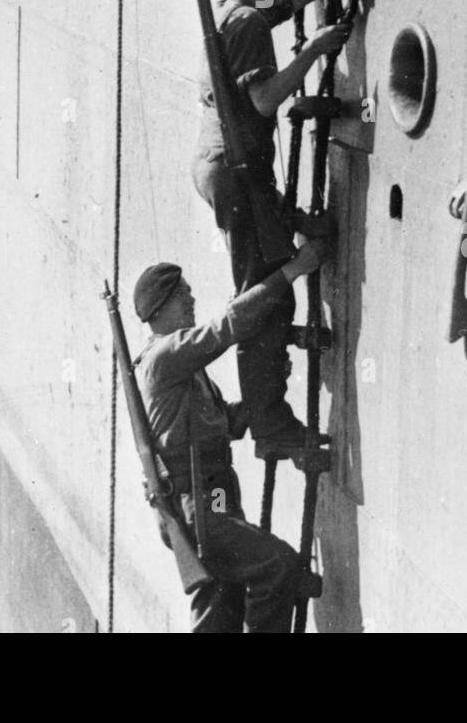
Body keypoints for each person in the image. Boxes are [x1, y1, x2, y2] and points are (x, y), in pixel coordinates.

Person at [190, 0, 351, 457]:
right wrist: (315, 50)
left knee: (276, 253)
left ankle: (273, 399)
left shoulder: (237, 10)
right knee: (266, 294)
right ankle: (272, 427)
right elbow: (263, 100)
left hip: (226, 165)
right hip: (237, 171)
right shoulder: (252, 25)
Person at [133, 243, 328, 633]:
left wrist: (273, 381)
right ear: (160, 308)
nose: (191, 297)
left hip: (217, 497)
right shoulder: (164, 357)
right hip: (199, 507)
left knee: (222, 603)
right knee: (277, 566)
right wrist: (291, 271)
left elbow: (227, 424)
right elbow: (227, 327)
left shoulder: (184, 369)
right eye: (181, 294)